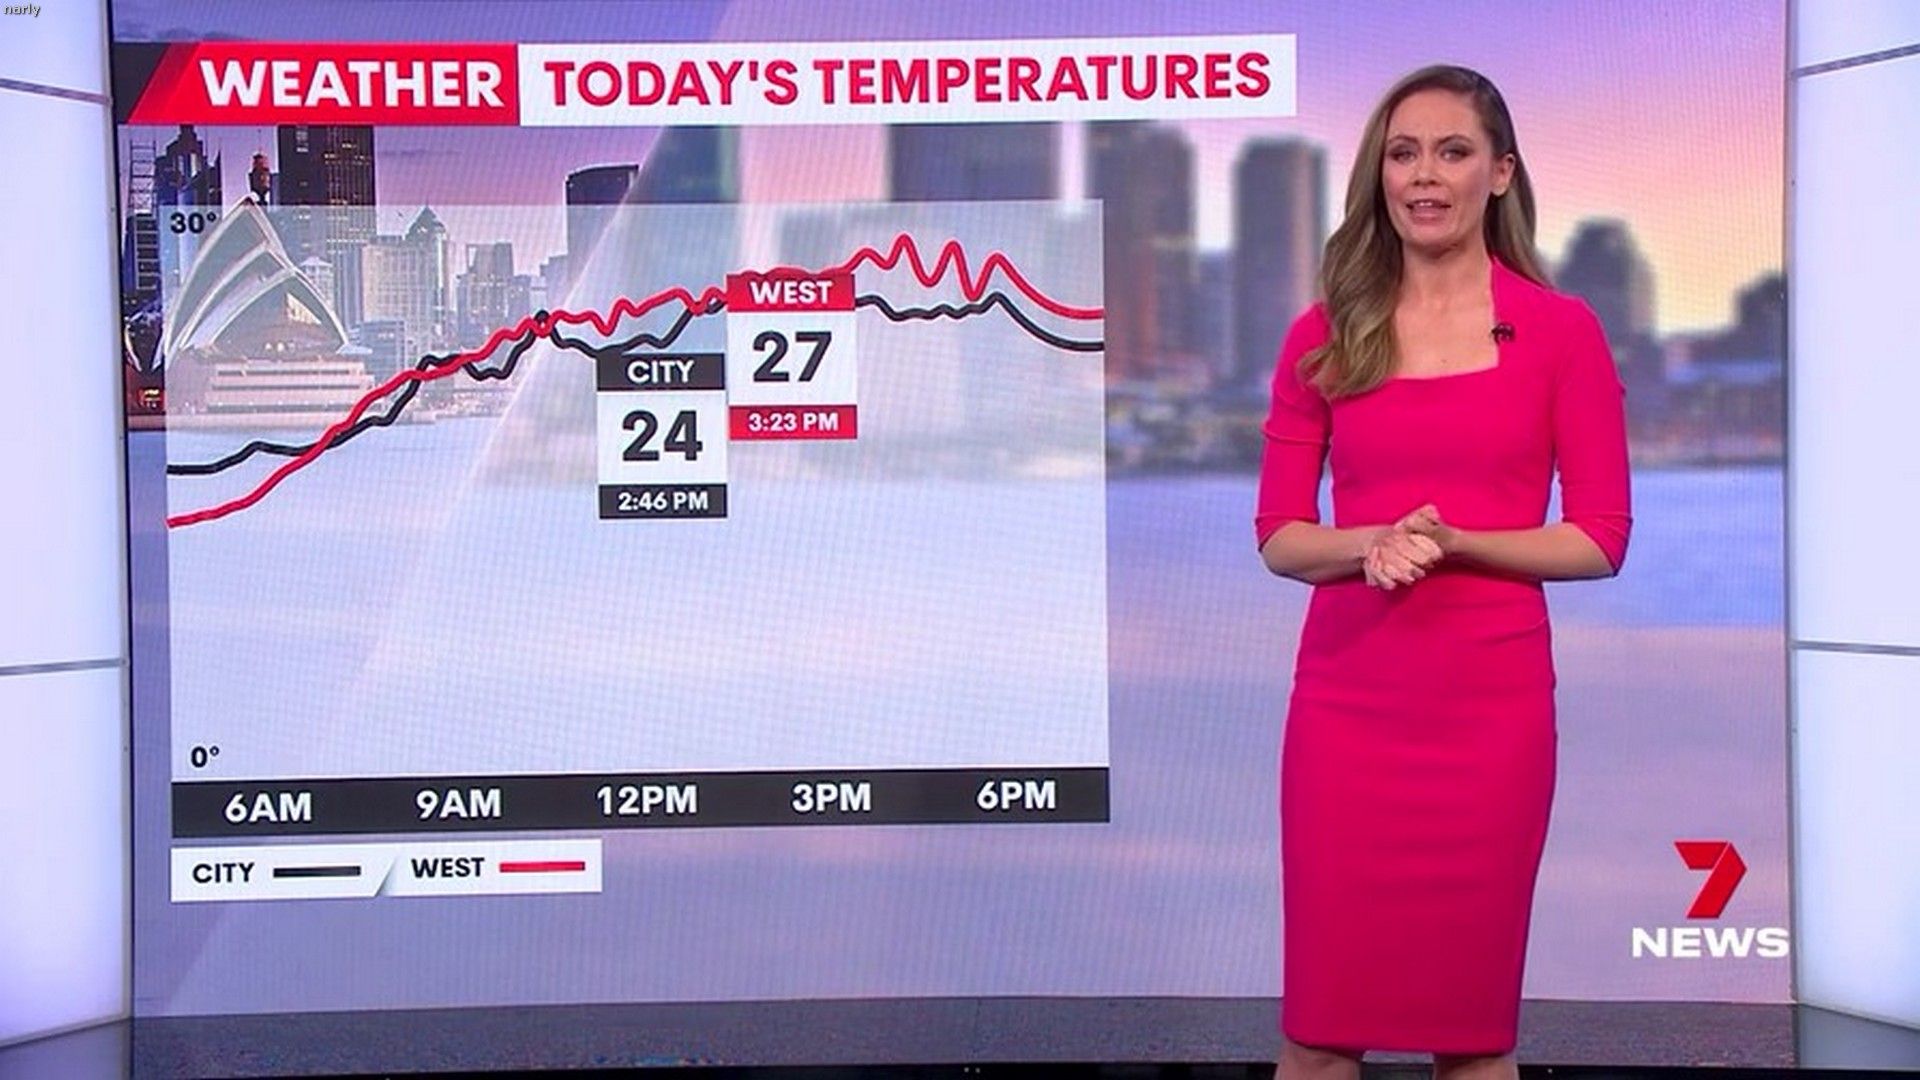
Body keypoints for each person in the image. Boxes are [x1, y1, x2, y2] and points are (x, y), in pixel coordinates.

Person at [1253, 64, 1632, 1080]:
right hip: (1348, 712)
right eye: (1403, 153)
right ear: (1379, 174)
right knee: (1318, 1036)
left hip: (1489, 720)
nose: (1424, 176)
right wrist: (1367, 542)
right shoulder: (1326, 333)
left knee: (1471, 1042)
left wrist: (1459, 542)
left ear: (1499, 173)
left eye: (1452, 152)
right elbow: (1281, 534)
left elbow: (1599, 538)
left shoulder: (1562, 333)